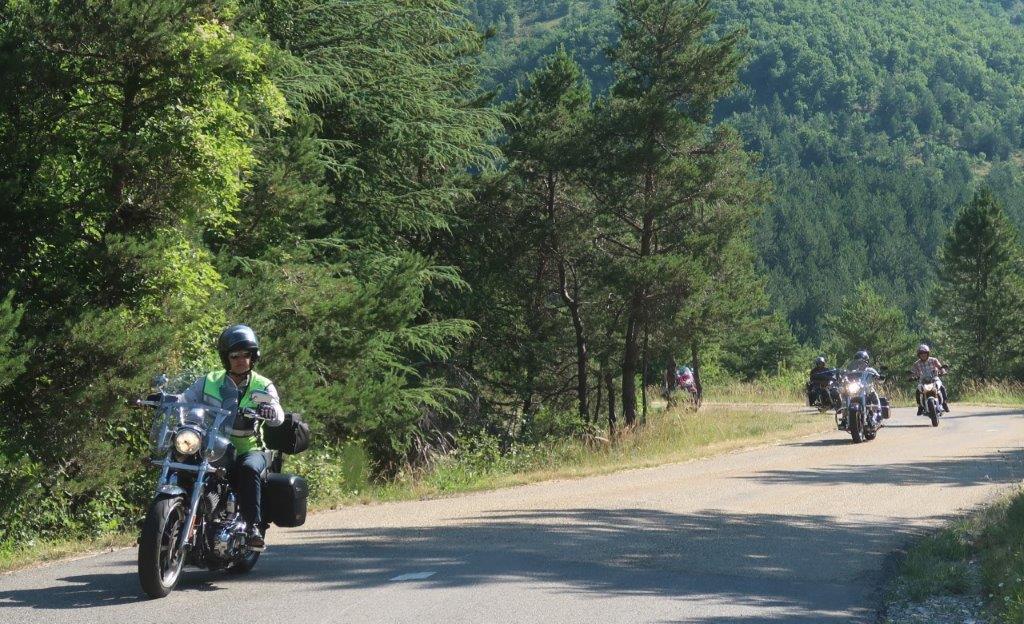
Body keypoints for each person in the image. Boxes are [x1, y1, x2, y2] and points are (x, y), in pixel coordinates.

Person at [181, 324, 285, 551]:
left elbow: (278, 414)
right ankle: (171, 512)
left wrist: (270, 412)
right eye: (234, 356)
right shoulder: (209, 380)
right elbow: (185, 399)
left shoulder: (262, 385)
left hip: (250, 448)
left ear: (253, 357)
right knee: (183, 459)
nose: (240, 360)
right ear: (226, 358)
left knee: (249, 469)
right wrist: (166, 400)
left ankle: (253, 526)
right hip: (213, 445)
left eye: (245, 355)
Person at [910, 344, 949, 415]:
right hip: (923, 381)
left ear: (928, 353)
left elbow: (940, 367)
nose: (923, 355)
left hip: (934, 379)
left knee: (942, 387)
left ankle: (944, 403)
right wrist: (912, 377)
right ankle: (920, 406)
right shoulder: (916, 364)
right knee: (918, 391)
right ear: (919, 355)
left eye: (925, 353)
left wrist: (943, 371)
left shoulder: (933, 360)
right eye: (921, 353)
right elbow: (913, 372)